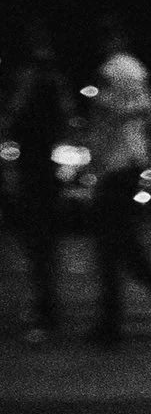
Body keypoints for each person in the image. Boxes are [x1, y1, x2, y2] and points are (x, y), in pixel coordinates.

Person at [87, 25, 151, 346]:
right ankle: (115, 321)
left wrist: (97, 154)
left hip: (115, 168)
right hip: (130, 164)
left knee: (120, 249)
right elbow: (148, 112)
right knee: (117, 249)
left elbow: (107, 116)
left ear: (113, 40)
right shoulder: (138, 71)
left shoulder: (111, 70)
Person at [2, 24, 72, 342]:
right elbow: (65, 117)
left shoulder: (32, 80)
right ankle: (47, 308)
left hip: (34, 169)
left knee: (38, 244)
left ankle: (46, 313)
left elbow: (15, 115)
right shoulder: (54, 80)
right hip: (44, 168)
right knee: (43, 246)